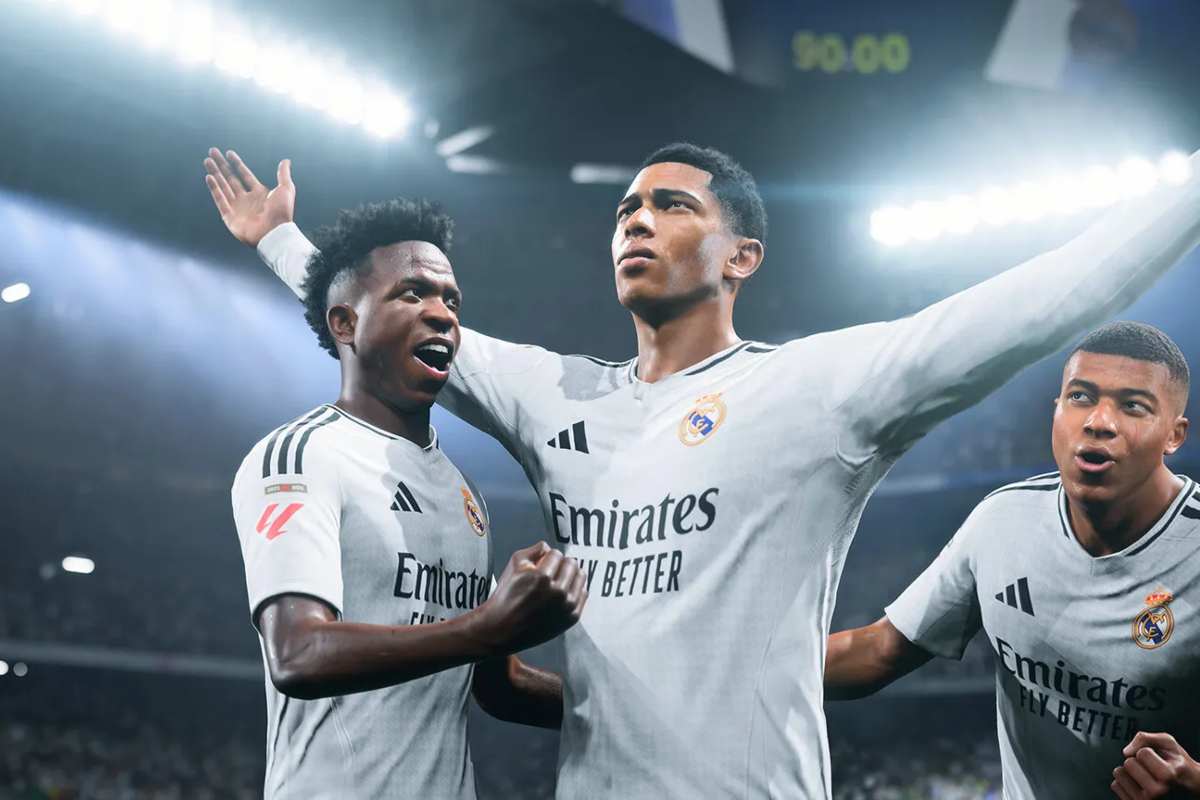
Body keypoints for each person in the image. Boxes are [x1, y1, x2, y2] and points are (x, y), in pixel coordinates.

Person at [205, 141, 1200, 798]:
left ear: (741, 256)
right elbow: (381, 319)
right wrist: (279, 237)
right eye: (626, 208)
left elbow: (1042, 300)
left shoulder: (822, 389)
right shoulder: (554, 395)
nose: (635, 220)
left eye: (671, 205)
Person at [226, 197, 587, 799]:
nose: (441, 314)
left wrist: (628, 711)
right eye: (413, 293)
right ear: (345, 324)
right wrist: (488, 624)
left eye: (451, 301)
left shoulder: (462, 492)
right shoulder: (301, 456)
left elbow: (496, 687)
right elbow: (299, 653)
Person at [824, 322, 1200, 799]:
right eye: (1081, 397)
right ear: (1056, 409)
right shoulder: (1002, 521)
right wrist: (745, 669)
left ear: (1174, 435)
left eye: (1133, 406)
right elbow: (880, 650)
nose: (1099, 421)